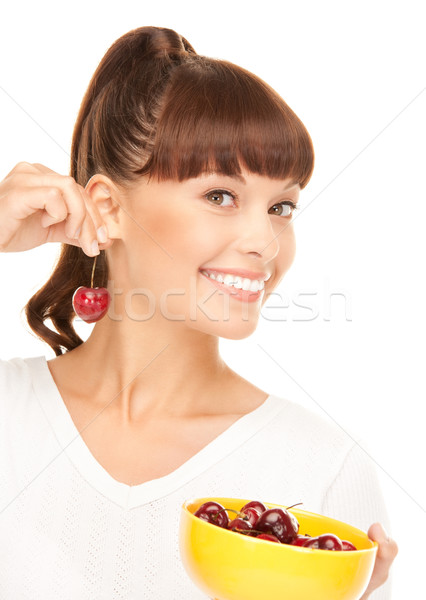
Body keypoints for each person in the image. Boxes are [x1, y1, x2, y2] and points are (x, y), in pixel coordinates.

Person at [0, 26, 397, 599]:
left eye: (282, 205)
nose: (265, 240)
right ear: (108, 208)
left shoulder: (322, 469)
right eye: (220, 196)